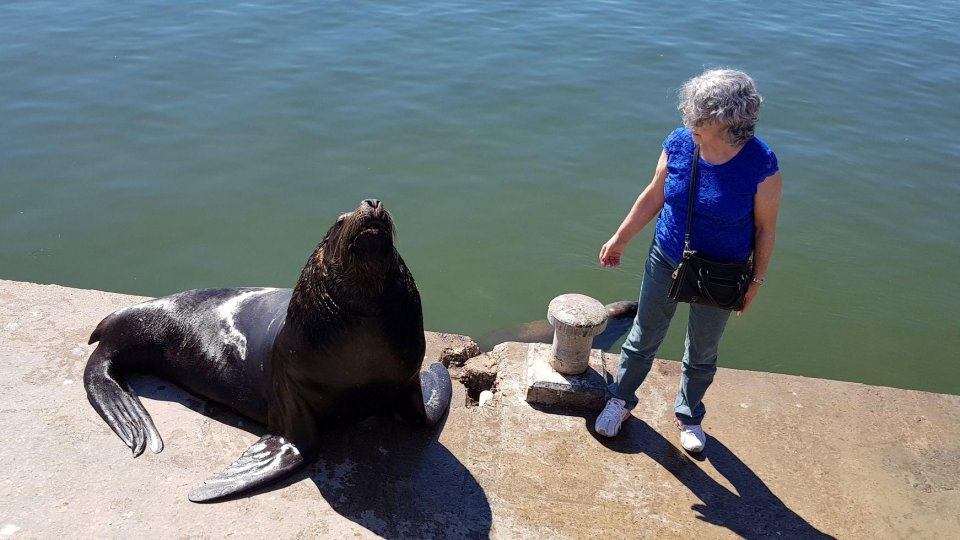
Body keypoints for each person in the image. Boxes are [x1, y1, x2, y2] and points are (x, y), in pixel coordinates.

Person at [595, 68, 783, 452]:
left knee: (702, 350)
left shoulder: (760, 163)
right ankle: (621, 399)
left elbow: (765, 229)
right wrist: (620, 238)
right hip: (668, 255)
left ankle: (689, 415)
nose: (689, 122)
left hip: (724, 270)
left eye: (700, 118)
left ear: (728, 121)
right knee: (643, 334)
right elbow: (654, 194)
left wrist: (756, 282)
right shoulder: (681, 142)